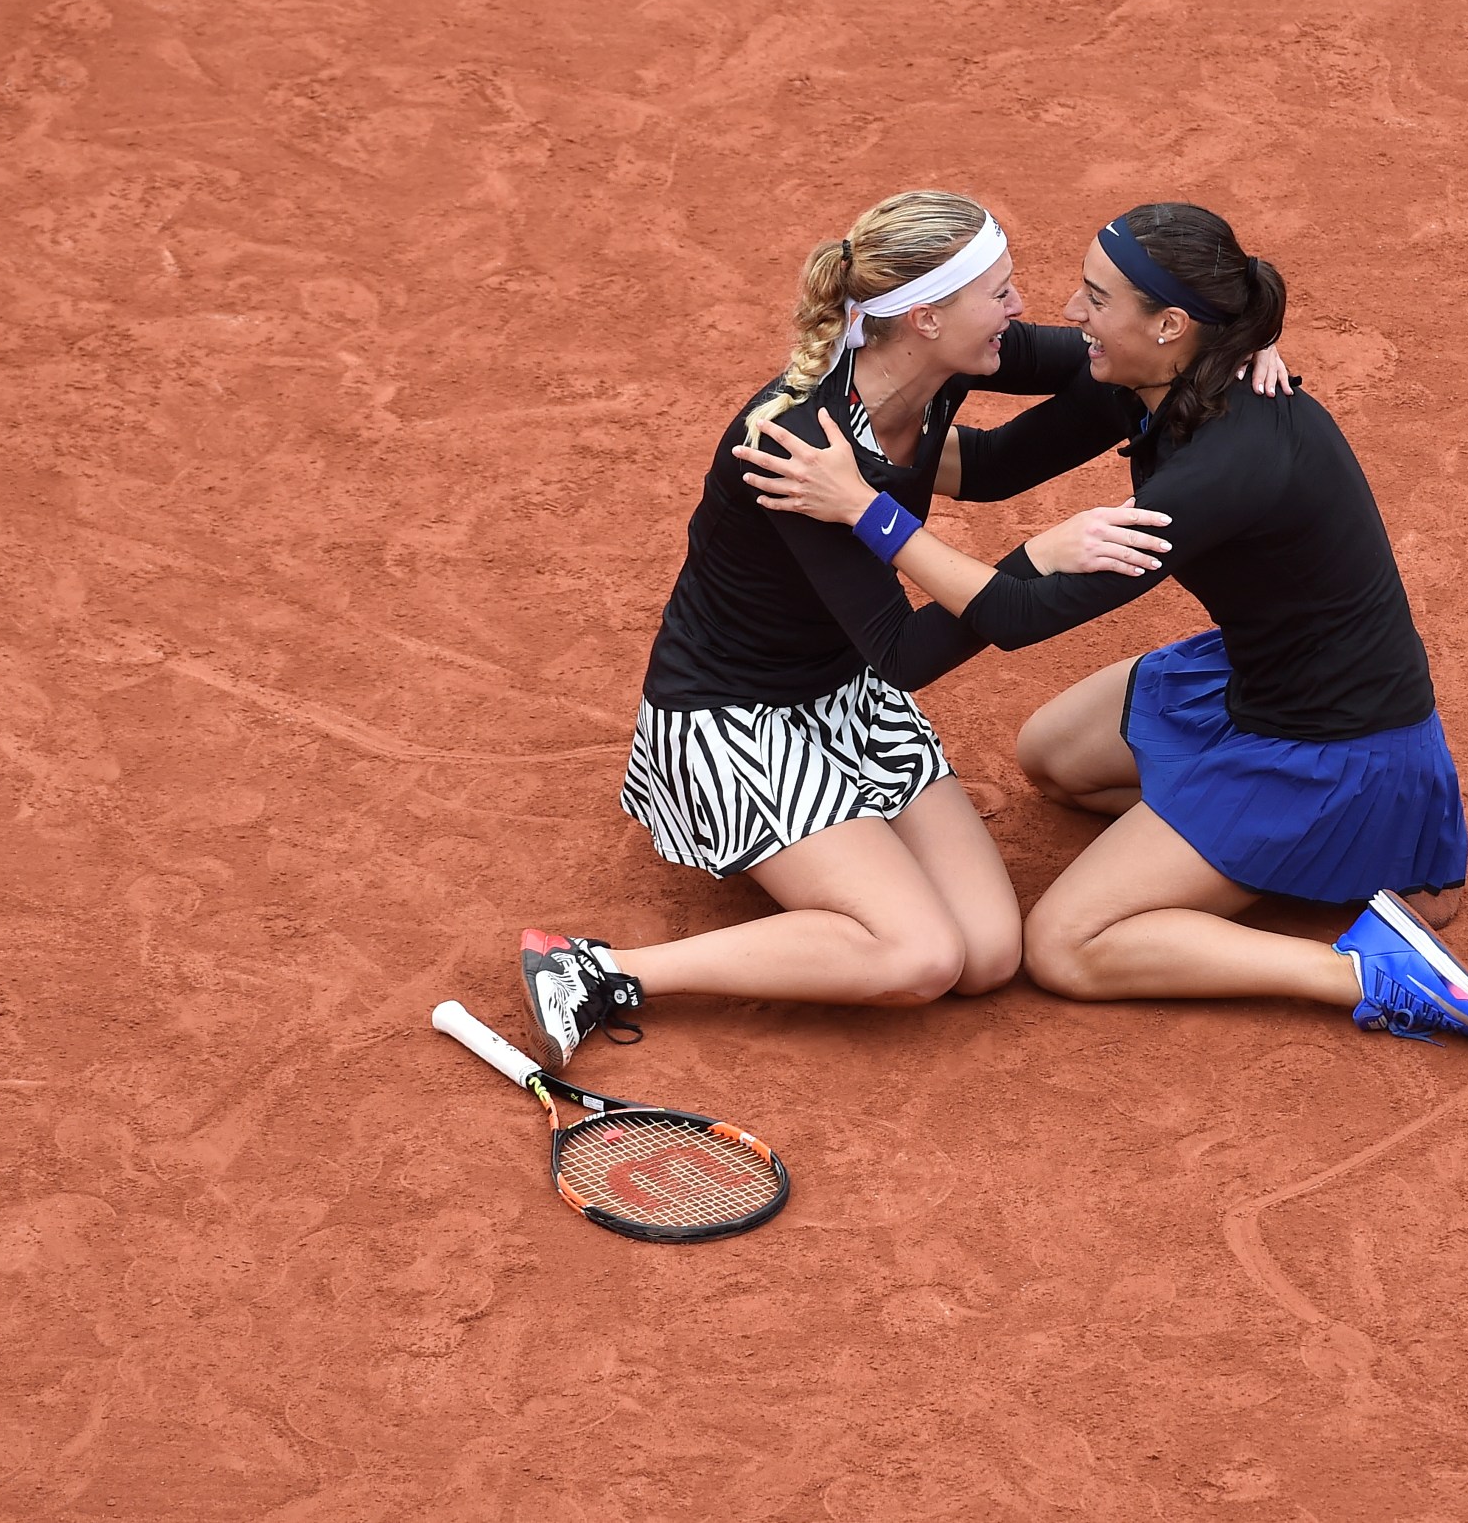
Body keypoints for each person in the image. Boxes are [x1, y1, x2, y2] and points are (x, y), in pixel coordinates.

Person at [519, 190, 1289, 1070]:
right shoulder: (794, 448)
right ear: (925, 316)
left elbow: (1095, 365)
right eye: (998, 293)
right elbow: (906, 652)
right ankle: (600, 969)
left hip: (845, 699)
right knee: (922, 956)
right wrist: (1035, 559)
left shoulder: (943, 365)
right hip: (735, 720)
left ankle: (840, 877)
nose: (1022, 309)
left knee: (989, 953)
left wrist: (1231, 339)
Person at [736, 201, 1468, 1056]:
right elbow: (998, 464)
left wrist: (865, 509)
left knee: (1066, 944)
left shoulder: (1231, 465)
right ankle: (1259, 853)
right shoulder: (1164, 376)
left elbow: (1018, 612)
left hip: (1326, 746)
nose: (1072, 316)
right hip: (1252, 676)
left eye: (1095, 298)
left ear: (1170, 322)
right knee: (1052, 755)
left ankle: (1366, 970)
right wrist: (874, 442)